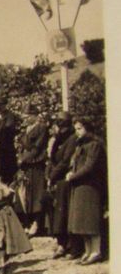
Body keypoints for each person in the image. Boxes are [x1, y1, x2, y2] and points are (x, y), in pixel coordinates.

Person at [66, 117, 107, 265]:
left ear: (87, 128)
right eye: (76, 129)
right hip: (79, 186)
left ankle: (96, 251)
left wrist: (73, 176)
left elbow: (90, 166)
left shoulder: (94, 144)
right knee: (81, 221)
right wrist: (71, 173)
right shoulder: (80, 145)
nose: (77, 132)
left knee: (90, 220)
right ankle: (88, 250)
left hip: (90, 186)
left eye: (80, 128)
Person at [45, 112, 78, 259]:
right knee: (48, 203)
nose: (56, 127)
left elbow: (65, 162)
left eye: (59, 123)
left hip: (65, 178)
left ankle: (70, 245)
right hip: (55, 178)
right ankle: (60, 241)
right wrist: (49, 175)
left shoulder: (72, 139)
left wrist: (52, 176)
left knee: (64, 211)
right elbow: (52, 159)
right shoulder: (58, 139)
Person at [18, 105, 49, 235]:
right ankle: (29, 222)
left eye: (28, 116)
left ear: (35, 116)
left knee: (37, 194)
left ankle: (37, 223)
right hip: (27, 165)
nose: (25, 118)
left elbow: (37, 147)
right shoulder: (26, 129)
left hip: (36, 163)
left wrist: (24, 158)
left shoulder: (41, 128)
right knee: (28, 194)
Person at [0, 100, 19, 184]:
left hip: (7, 144)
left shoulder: (9, 115)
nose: (0, 107)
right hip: (0, 145)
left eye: (1, 105)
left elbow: (8, 128)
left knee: (9, 167)